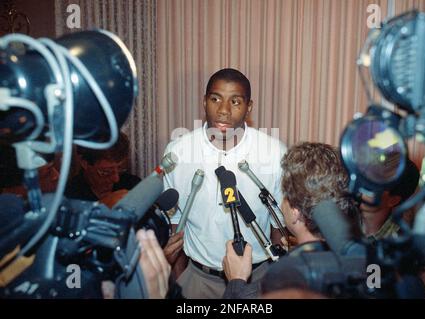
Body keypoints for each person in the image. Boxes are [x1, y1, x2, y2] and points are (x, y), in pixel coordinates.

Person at [163, 68, 287, 298]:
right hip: (198, 279)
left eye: (236, 101)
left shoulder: (273, 153)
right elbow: (175, 225)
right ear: (204, 101)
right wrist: (180, 280)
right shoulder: (178, 152)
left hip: (257, 280)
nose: (223, 111)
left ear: (249, 107)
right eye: (215, 99)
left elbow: (278, 225)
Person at [222, 142, 357, 298]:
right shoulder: (364, 262)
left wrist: (236, 282)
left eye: (285, 196)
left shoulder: (273, 291)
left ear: (295, 212)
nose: (282, 202)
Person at [65, 131, 141, 203]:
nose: (116, 179)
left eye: (120, 169)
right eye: (106, 172)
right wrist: (103, 206)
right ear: (84, 163)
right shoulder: (70, 197)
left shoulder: (133, 185)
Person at [358, 158, 420, 242]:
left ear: (393, 200)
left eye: (374, 183)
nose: (361, 185)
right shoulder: (342, 213)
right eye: (364, 177)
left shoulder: (398, 240)